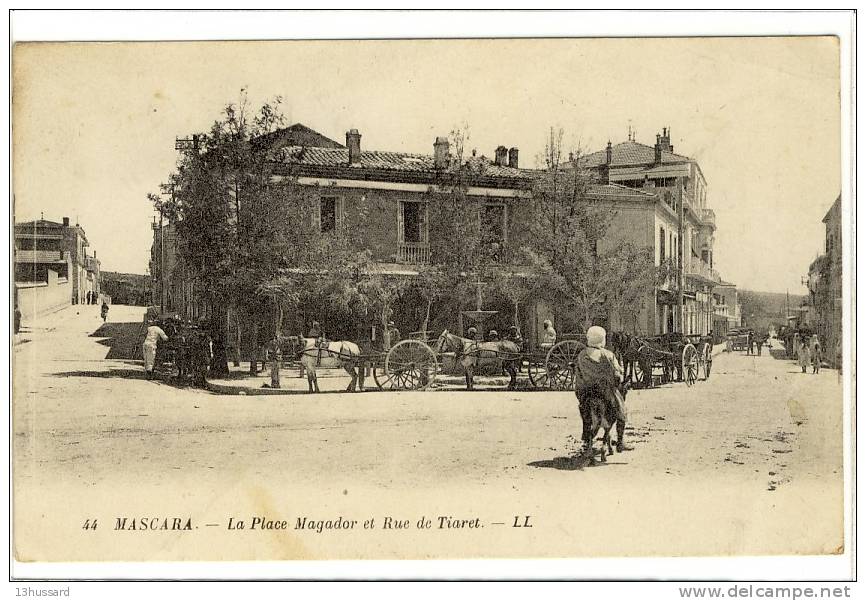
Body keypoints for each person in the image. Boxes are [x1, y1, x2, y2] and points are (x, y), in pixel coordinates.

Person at [573, 326, 631, 453]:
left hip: (586, 392)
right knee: (622, 412)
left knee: (584, 411)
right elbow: (617, 374)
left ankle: (587, 439)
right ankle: (620, 442)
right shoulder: (608, 355)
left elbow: (578, 375)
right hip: (604, 392)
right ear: (602, 339)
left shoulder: (582, 355)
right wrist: (619, 378)